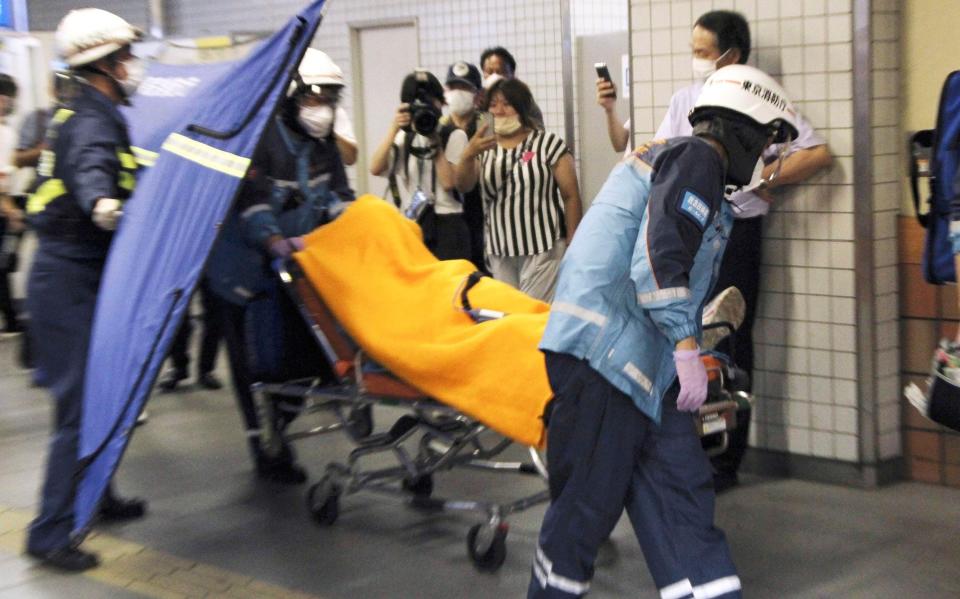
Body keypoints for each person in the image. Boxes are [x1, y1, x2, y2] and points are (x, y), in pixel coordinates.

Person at [527, 64, 798, 599]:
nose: (768, 157)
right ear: (743, 130)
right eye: (767, 142)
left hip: (642, 368)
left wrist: (685, 341)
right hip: (603, 361)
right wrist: (686, 344)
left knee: (682, 496)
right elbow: (656, 257)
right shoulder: (696, 157)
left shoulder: (691, 168)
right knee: (587, 507)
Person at [653, 10, 832, 491]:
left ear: (731, 55)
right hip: (690, 229)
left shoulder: (761, 96)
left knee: (730, 335)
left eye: (702, 51)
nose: (695, 59)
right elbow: (660, 149)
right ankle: (681, 448)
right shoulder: (685, 99)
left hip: (738, 233)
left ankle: (724, 461)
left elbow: (817, 153)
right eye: (692, 49)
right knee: (684, 328)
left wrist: (761, 176)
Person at [24, 8, 147, 572]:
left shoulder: (91, 109)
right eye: (126, 58)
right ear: (103, 65)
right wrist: (104, 202)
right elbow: (92, 167)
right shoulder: (91, 119)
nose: (133, 67)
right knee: (77, 409)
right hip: (68, 277)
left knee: (99, 396)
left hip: (79, 274)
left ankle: (97, 493)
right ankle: (48, 534)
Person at [206, 47, 354, 484]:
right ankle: (264, 444)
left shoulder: (321, 144)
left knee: (296, 356)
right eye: (314, 99)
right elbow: (253, 209)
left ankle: (280, 426)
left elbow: (338, 198)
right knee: (256, 363)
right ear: (291, 98)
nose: (322, 110)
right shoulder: (262, 141)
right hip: (242, 272)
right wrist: (275, 242)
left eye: (329, 99)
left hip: (293, 267)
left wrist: (358, 223)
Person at [455, 78, 581, 301]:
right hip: (499, 248)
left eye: (507, 104)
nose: (500, 111)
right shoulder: (482, 148)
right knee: (509, 314)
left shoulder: (548, 144)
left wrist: (573, 240)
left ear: (522, 107)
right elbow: (464, 185)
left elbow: (570, 195)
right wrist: (467, 154)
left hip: (543, 247)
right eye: (493, 105)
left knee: (533, 312)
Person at [370, 69, 471, 261]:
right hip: (414, 221)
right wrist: (394, 127)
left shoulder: (454, 135)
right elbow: (375, 168)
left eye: (429, 101)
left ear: (441, 102)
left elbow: (449, 183)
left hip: (448, 223)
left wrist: (435, 141)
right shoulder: (404, 137)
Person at [440, 61, 487, 271]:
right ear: (445, 92)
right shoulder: (437, 129)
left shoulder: (486, 128)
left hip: (483, 219)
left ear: (478, 94)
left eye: (465, 88)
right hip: (446, 224)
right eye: (453, 87)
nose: (458, 93)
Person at [156, 281, 222, 391]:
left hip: (211, 267)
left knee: (215, 314)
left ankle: (206, 370)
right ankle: (178, 367)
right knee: (178, 311)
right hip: (181, 265)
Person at [0, 73, 22, 335]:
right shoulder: (4, 133)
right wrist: (10, 209)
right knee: (3, 266)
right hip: (2, 207)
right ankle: (11, 320)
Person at [479, 46, 544, 125]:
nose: (494, 76)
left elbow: (537, 127)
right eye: (489, 72)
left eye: (500, 72)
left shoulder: (523, 98)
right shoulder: (480, 98)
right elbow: (483, 131)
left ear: (512, 74)